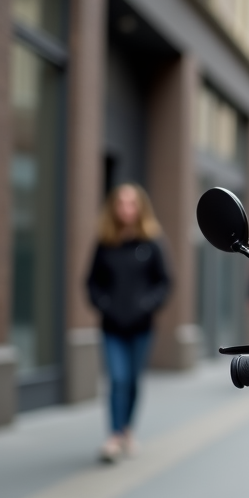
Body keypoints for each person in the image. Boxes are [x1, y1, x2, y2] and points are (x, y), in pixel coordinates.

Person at [86, 183, 171, 463]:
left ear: (140, 208)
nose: (126, 209)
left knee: (133, 381)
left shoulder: (152, 242)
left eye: (131, 203)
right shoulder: (105, 242)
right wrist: (104, 306)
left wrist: (147, 305)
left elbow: (165, 282)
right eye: (120, 203)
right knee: (117, 379)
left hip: (141, 327)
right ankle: (113, 435)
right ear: (114, 208)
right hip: (112, 327)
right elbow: (91, 282)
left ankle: (127, 430)